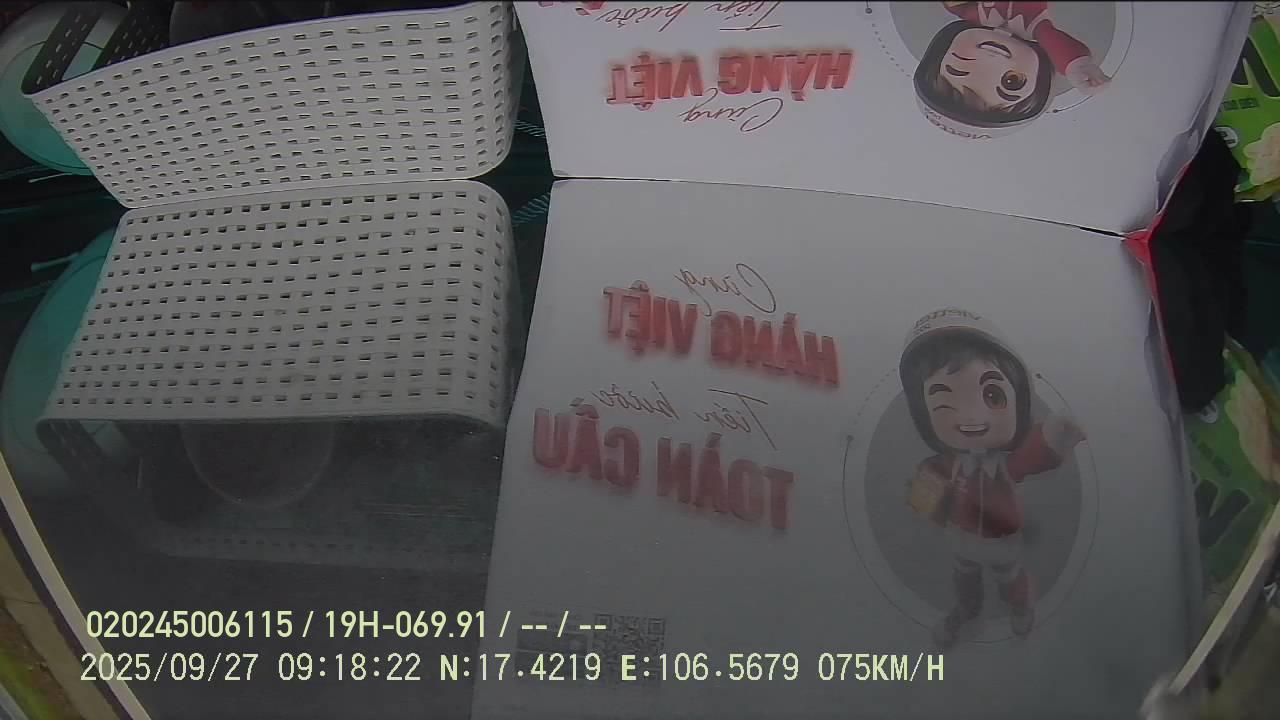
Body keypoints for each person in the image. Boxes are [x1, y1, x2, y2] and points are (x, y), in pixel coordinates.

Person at [899, 308, 1085, 648]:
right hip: (961, 537)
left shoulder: (1003, 465)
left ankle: (1019, 607)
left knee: (1010, 578)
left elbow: (1032, 455)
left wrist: (1057, 435)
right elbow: (927, 494)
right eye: (944, 401)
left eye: (992, 396)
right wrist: (925, 499)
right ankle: (968, 611)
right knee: (964, 577)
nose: (970, 417)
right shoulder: (946, 465)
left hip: (1002, 541)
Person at [914, 2, 1111, 133]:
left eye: (958, 69)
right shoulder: (1032, 24)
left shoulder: (962, 6)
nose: (991, 58)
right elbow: (1052, 39)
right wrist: (1077, 65)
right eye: (1012, 81)